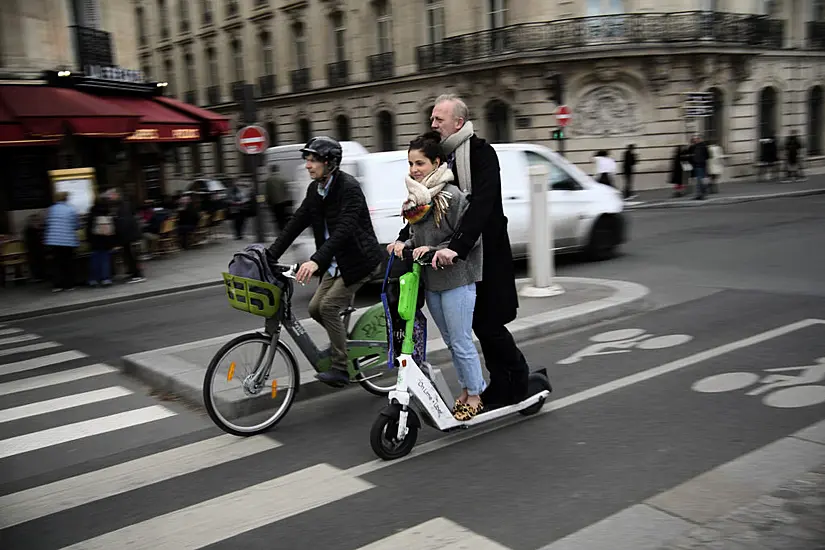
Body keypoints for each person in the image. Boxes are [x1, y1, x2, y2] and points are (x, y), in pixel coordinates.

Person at [389, 94, 530, 408]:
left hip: (485, 252)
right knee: (473, 327)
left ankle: (518, 379)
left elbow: (481, 205)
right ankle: (496, 383)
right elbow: (423, 208)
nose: (433, 123)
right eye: (433, 118)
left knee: (489, 325)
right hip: (453, 257)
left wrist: (458, 247)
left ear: (459, 122)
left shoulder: (480, 154)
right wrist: (403, 239)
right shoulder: (440, 158)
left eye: (439, 119)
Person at [267, 136, 384, 387]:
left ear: (330, 163)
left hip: (358, 261)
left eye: (313, 160)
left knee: (329, 307)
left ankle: (341, 368)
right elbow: (295, 223)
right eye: (307, 160)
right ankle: (342, 344)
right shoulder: (315, 190)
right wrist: (269, 255)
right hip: (335, 262)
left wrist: (315, 261)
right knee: (314, 308)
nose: (308, 165)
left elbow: (343, 230)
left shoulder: (349, 188)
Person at [392, 131, 485, 420]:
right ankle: (466, 388)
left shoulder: (452, 196)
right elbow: (417, 235)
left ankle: (476, 393)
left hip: (457, 279)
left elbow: (470, 238)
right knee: (449, 339)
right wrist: (403, 244)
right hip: (432, 281)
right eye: (411, 164)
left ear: (436, 162)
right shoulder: (416, 201)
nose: (414, 170)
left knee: (460, 340)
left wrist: (439, 249)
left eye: (420, 163)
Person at [44, 191, 79, 292]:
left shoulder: (51, 209)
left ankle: (57, 285)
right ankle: (69, 285)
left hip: (53, 240)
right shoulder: (70, 209)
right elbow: (76, 225)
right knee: (68, 263)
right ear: (66, 198)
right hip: (67, 240)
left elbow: (47, 223)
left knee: (56, 263)